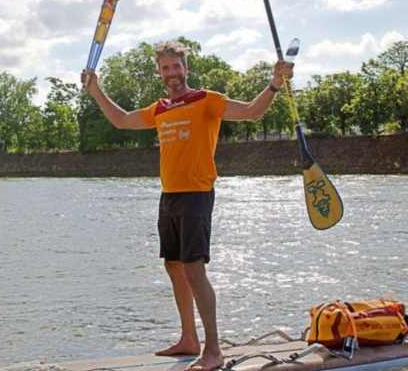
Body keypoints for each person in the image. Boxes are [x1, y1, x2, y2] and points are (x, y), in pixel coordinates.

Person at [81, 40, 293, 371]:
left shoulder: (206, 100)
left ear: (186, 69)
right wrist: (96, 91)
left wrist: (275, 83)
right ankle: (188, 339)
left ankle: (213, 350)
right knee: (174, 267)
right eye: (165, 68)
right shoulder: (160, 108)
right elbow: (121, 120)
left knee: (195, 269)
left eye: (176, 67)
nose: (171, 73)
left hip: (197, 194)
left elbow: (252, 112)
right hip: (170, 195)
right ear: (159, 72)